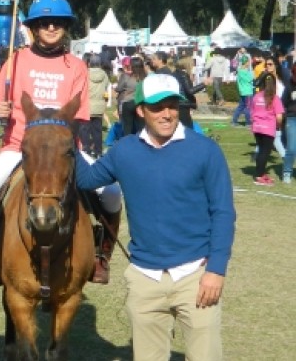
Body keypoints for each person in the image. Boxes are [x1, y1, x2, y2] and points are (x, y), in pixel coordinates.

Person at [75, 73, 236, 361]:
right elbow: (86, 179)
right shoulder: (123, 150)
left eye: (173, 105)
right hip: (144, 279)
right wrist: (62, 135)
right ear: (141, 110)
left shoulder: (206, 150)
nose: (167, 114)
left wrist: (216, 270)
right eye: (157, 107)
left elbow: (223, 212)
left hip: (196, 276)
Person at [0, 0, 122, 286]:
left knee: (111, 193)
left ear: (65, 27)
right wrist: (1, 111)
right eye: (44, 22)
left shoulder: (77, 66)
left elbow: (80, 118)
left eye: (58, 22)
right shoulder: (14, 60)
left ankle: (101, 256)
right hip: (19, 147)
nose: (51, 27)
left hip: (65, 149)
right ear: (33, 27)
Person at [250, 74, 284, 186]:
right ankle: (259, 176)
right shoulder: (275, 98)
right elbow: (279, 116)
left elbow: (252, 111)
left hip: (257, 127)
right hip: (268, 128)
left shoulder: (256, 97)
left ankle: (261, 172)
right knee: (265, 152)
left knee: (261, 150)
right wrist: (279, 126)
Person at [83, 54, 109, 158]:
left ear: (89, 63)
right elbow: (106, 86)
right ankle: (98, 151)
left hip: (87, 105)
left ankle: (87, 149)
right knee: (97, 131)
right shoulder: (104, 74)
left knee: (85, 130)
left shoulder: (85, 73)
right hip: (99, 105)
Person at [115, 57, 146, 138]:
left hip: (128, 102)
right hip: (141, 103)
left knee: (127, 128)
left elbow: (119, 88)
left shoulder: (126, 77)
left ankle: (128, 144)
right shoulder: (145, 77)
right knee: (141, 128)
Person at [231, 57, 254, 126]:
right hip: (248, 92)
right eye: (249, 62)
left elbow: (237, 81)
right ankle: (248, 122)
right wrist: (251, 72)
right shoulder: (246, 71)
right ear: (246, 62)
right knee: (248, 107)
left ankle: (234, 121)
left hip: (242, 92)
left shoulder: (239, 71)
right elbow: (250, 79)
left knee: (240, 107)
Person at [283, 68, 296, 184]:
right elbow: (283, 104)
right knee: (291, 148)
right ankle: (287, 171)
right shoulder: (289, 86)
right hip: (292, 119)